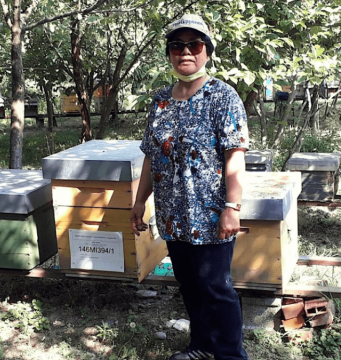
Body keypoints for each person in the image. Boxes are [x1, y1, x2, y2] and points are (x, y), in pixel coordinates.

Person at [130, 14, 249, 360]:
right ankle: (201, 346)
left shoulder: (222, 97)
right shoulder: (160, 101)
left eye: (194, 45)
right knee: (190, 285)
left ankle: (230, 355)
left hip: (211, 216)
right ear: (169, 54)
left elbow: (234, 156)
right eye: (177, 45)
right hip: (173, 216)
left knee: (216, 288)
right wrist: (140, 202)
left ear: (206, 52)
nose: (186, 52)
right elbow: (152, 156)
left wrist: (232, 207)